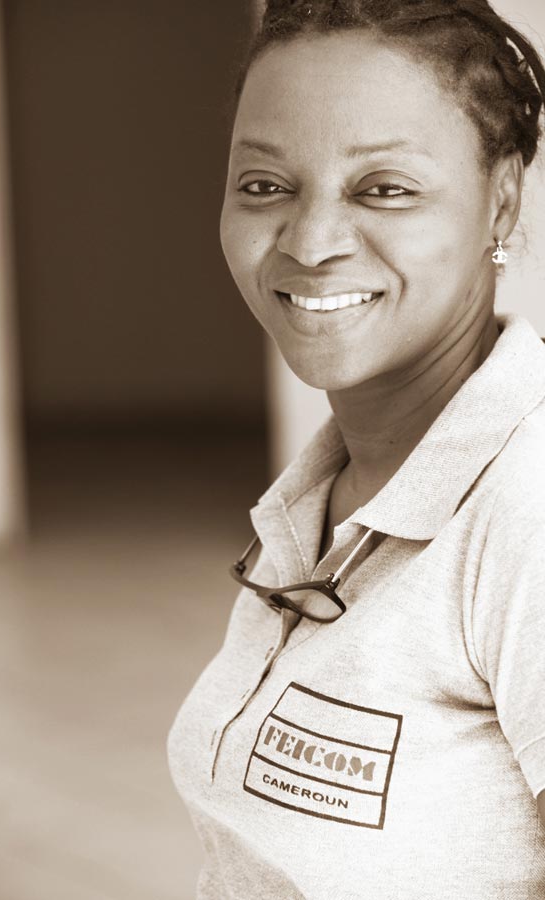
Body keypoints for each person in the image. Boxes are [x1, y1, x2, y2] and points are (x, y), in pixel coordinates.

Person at [168, 1, 545, 896]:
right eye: (266, 185)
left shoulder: (528, 504)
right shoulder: (336, 483)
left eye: (384, 188)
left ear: (501, 201)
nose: (310, 242)